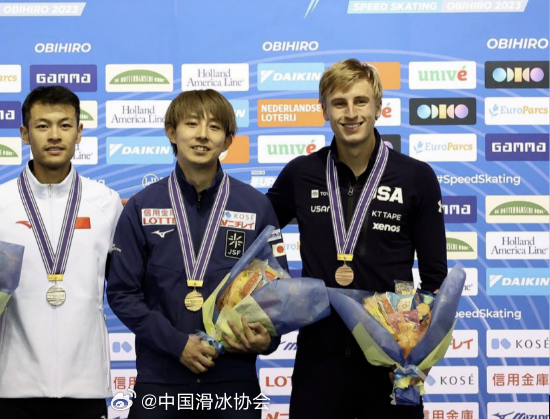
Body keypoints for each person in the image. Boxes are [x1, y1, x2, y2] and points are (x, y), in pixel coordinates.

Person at [266, 59, 447, 419]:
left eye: (361, 101)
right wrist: (274, 289)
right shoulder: (301, 174)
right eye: (339, 103)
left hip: (392, 361)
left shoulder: (416, 177)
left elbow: (435, 279)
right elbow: (257, 230)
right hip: (320, 358)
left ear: (379, 107)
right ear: (324, 111)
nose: (351, 113)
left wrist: (421, 352)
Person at [0, 86, 123, 418]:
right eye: (42, 126)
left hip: (86, 384)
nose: (54, 135)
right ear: (25, 133)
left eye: (65, 125)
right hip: (16, 385)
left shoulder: (106, 203)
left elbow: (126, 288)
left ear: (79, 132)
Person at [107, 89, 287, 419]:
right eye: (191, 124)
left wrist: (268, 340)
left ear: (228, 140)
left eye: (214, 127)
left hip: (233, 383)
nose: (202, 135)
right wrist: (177, 344)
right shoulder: (142, 206)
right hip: (161, 381)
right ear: (171, 132)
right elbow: (122, 293)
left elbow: (277, 291)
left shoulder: (255, 206)